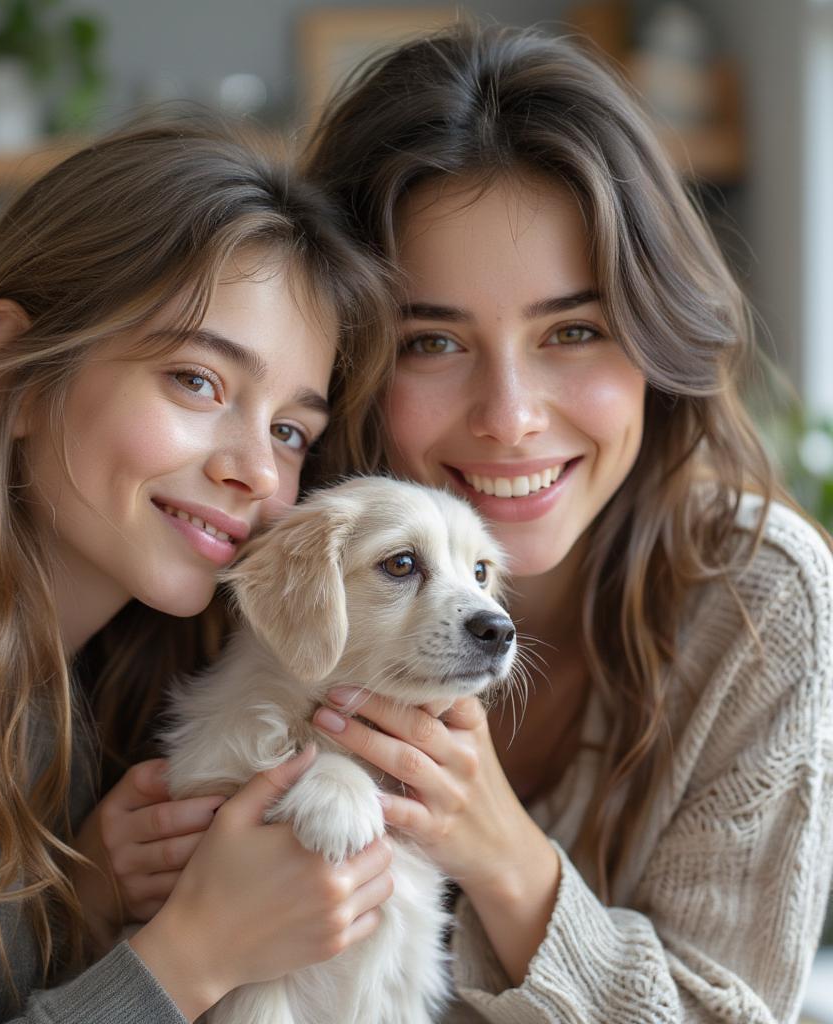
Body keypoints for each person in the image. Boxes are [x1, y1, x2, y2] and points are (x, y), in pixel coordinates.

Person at [0, 114, 400, 1022]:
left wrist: (80, 909)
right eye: (198, 381)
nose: (253, 468)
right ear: (11, 371)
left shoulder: (105, 678)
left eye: (290, 431)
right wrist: (194, 951)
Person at [298, 22, 833, 1024]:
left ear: (654, 335)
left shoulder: (761, 601)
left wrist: (500, 853)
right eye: (432, 341)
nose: (509, 416)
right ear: (350, 360)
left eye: (572, 331)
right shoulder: (283, 568)